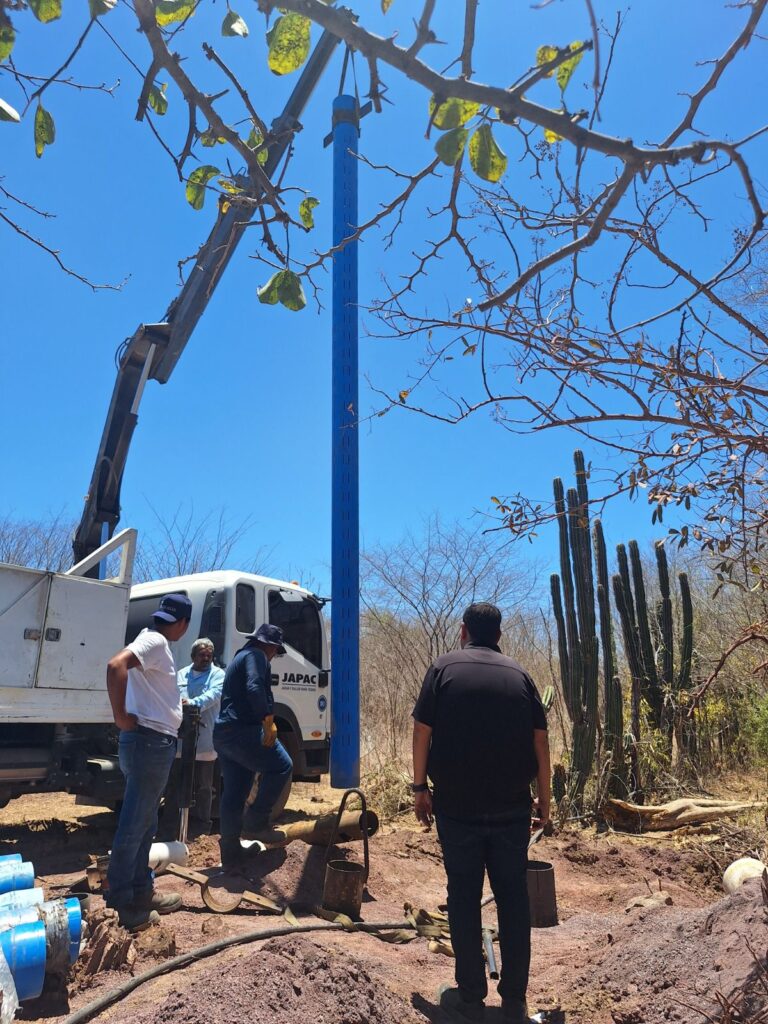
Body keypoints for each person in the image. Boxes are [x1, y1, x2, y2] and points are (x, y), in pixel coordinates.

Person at [411, 602, 551, 1023]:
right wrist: (545, 800)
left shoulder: (443, 669)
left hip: (457, 808)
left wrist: (420, 788)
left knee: (464, 897)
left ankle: (470, 996)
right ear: (500, 635)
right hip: (511, 809)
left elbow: (422, 731)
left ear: (463, 631)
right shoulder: (520, 676)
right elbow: (540, 742)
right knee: (513, 899)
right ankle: (515, 1000)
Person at [105, 593, 193, 931]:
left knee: (145, 822)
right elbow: (115, 666)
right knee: (135, 823)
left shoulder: (151, 639)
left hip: (152, 742)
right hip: (149, 742)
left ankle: (141, 890)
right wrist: (121, 717)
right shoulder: (155, 641)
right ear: (183, 624)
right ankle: (121, 903)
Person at [213, 623, 293, 868]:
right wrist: (267, 718)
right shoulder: (256, 655)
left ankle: (231, 853)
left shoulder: (241, 656)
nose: (273, 656)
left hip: (225, 733)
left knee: (235, 792)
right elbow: (255, 686)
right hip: (243, 731)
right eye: (275, 651)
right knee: (282, 766)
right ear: (270, 645)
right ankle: (256, 823)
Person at [162, 638, 225, 838]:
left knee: (204, 787)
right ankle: (170, 828)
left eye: (209, 655)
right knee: (174, 786)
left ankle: (201, 831)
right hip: (181, 741)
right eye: (201, 655)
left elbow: (213, 695)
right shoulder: (181, 674)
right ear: (193, 656)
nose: (205, 658)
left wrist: (190, 704)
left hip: (205, 742)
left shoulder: (218, 674)